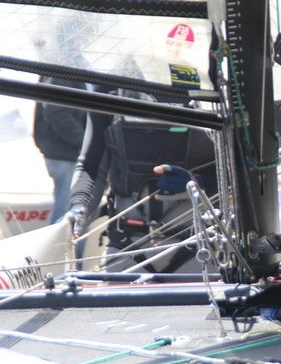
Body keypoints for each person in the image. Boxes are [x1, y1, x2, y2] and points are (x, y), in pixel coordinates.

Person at [68, 87, 217, 272]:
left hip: (196, 246)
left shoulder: (209, 88)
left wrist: (200, 183)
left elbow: (238, 169)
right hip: (125, 246)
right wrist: (79, 206)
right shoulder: (108, 88)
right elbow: (91, 167)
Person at [33, 77, 90, 224]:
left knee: (66, 210)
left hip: (61, 151)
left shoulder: (58, 74)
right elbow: (57, 113)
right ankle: (61, 239)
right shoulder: (63, 75)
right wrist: (85, 142)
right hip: (64, 153)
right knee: (65, 214)